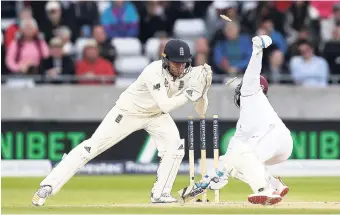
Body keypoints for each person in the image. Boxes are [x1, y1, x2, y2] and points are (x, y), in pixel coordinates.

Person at [32, 39, 212, 206]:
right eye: (175, 63)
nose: (180, 68)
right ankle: (48, 185)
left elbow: (201, 111)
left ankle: (160, 194)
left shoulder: (189, 73)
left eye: (183, 63)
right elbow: (165, 104)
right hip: (128, 112)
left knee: (175, 146)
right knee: (92, 147)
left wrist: (204, 87)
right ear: (165, 60)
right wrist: (189, 94)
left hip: (155, 115)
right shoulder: (153, 71)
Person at [200, 35, 293, 205]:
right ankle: (274, 184)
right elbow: (231, 154)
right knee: (238, 160)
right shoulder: (246, 119)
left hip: (275, 138)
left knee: (243, 157)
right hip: (280, 145)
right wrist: (212, 175)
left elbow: (253, 71)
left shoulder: (250, 91)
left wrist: (258, 47)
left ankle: (265, 190)